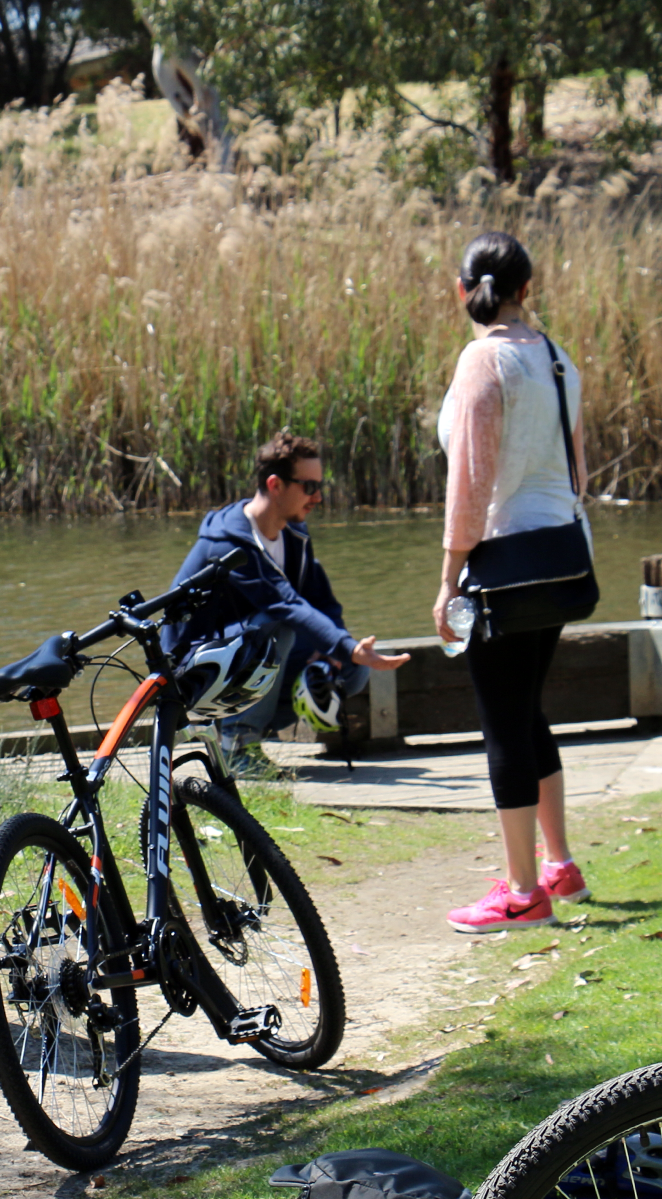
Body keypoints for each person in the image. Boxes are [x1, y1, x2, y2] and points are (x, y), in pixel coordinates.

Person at [433, 230, 590, 933]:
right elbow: (578, 472)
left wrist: (447, 581)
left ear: (463, 291)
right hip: (560, 553)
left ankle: (524, 893)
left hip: (500, 562)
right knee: (528, 712)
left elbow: (470, 484)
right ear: (527, 289)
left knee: (503, 723)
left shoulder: (481, 361)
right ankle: (557, 863)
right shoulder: (557, 360)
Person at [168, 433, 409, 776]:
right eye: (309, 486)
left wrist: (341, 650)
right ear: (275, 484)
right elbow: (286, 605)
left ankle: (251, 730)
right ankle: (237, 746)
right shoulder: (229, 544)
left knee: (352, 670)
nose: (318, 497)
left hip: (239, 658)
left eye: (319, 486)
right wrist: (348, 647)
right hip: (194, 671)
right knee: (276, 626)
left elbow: (321, 601)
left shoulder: (294, 534)